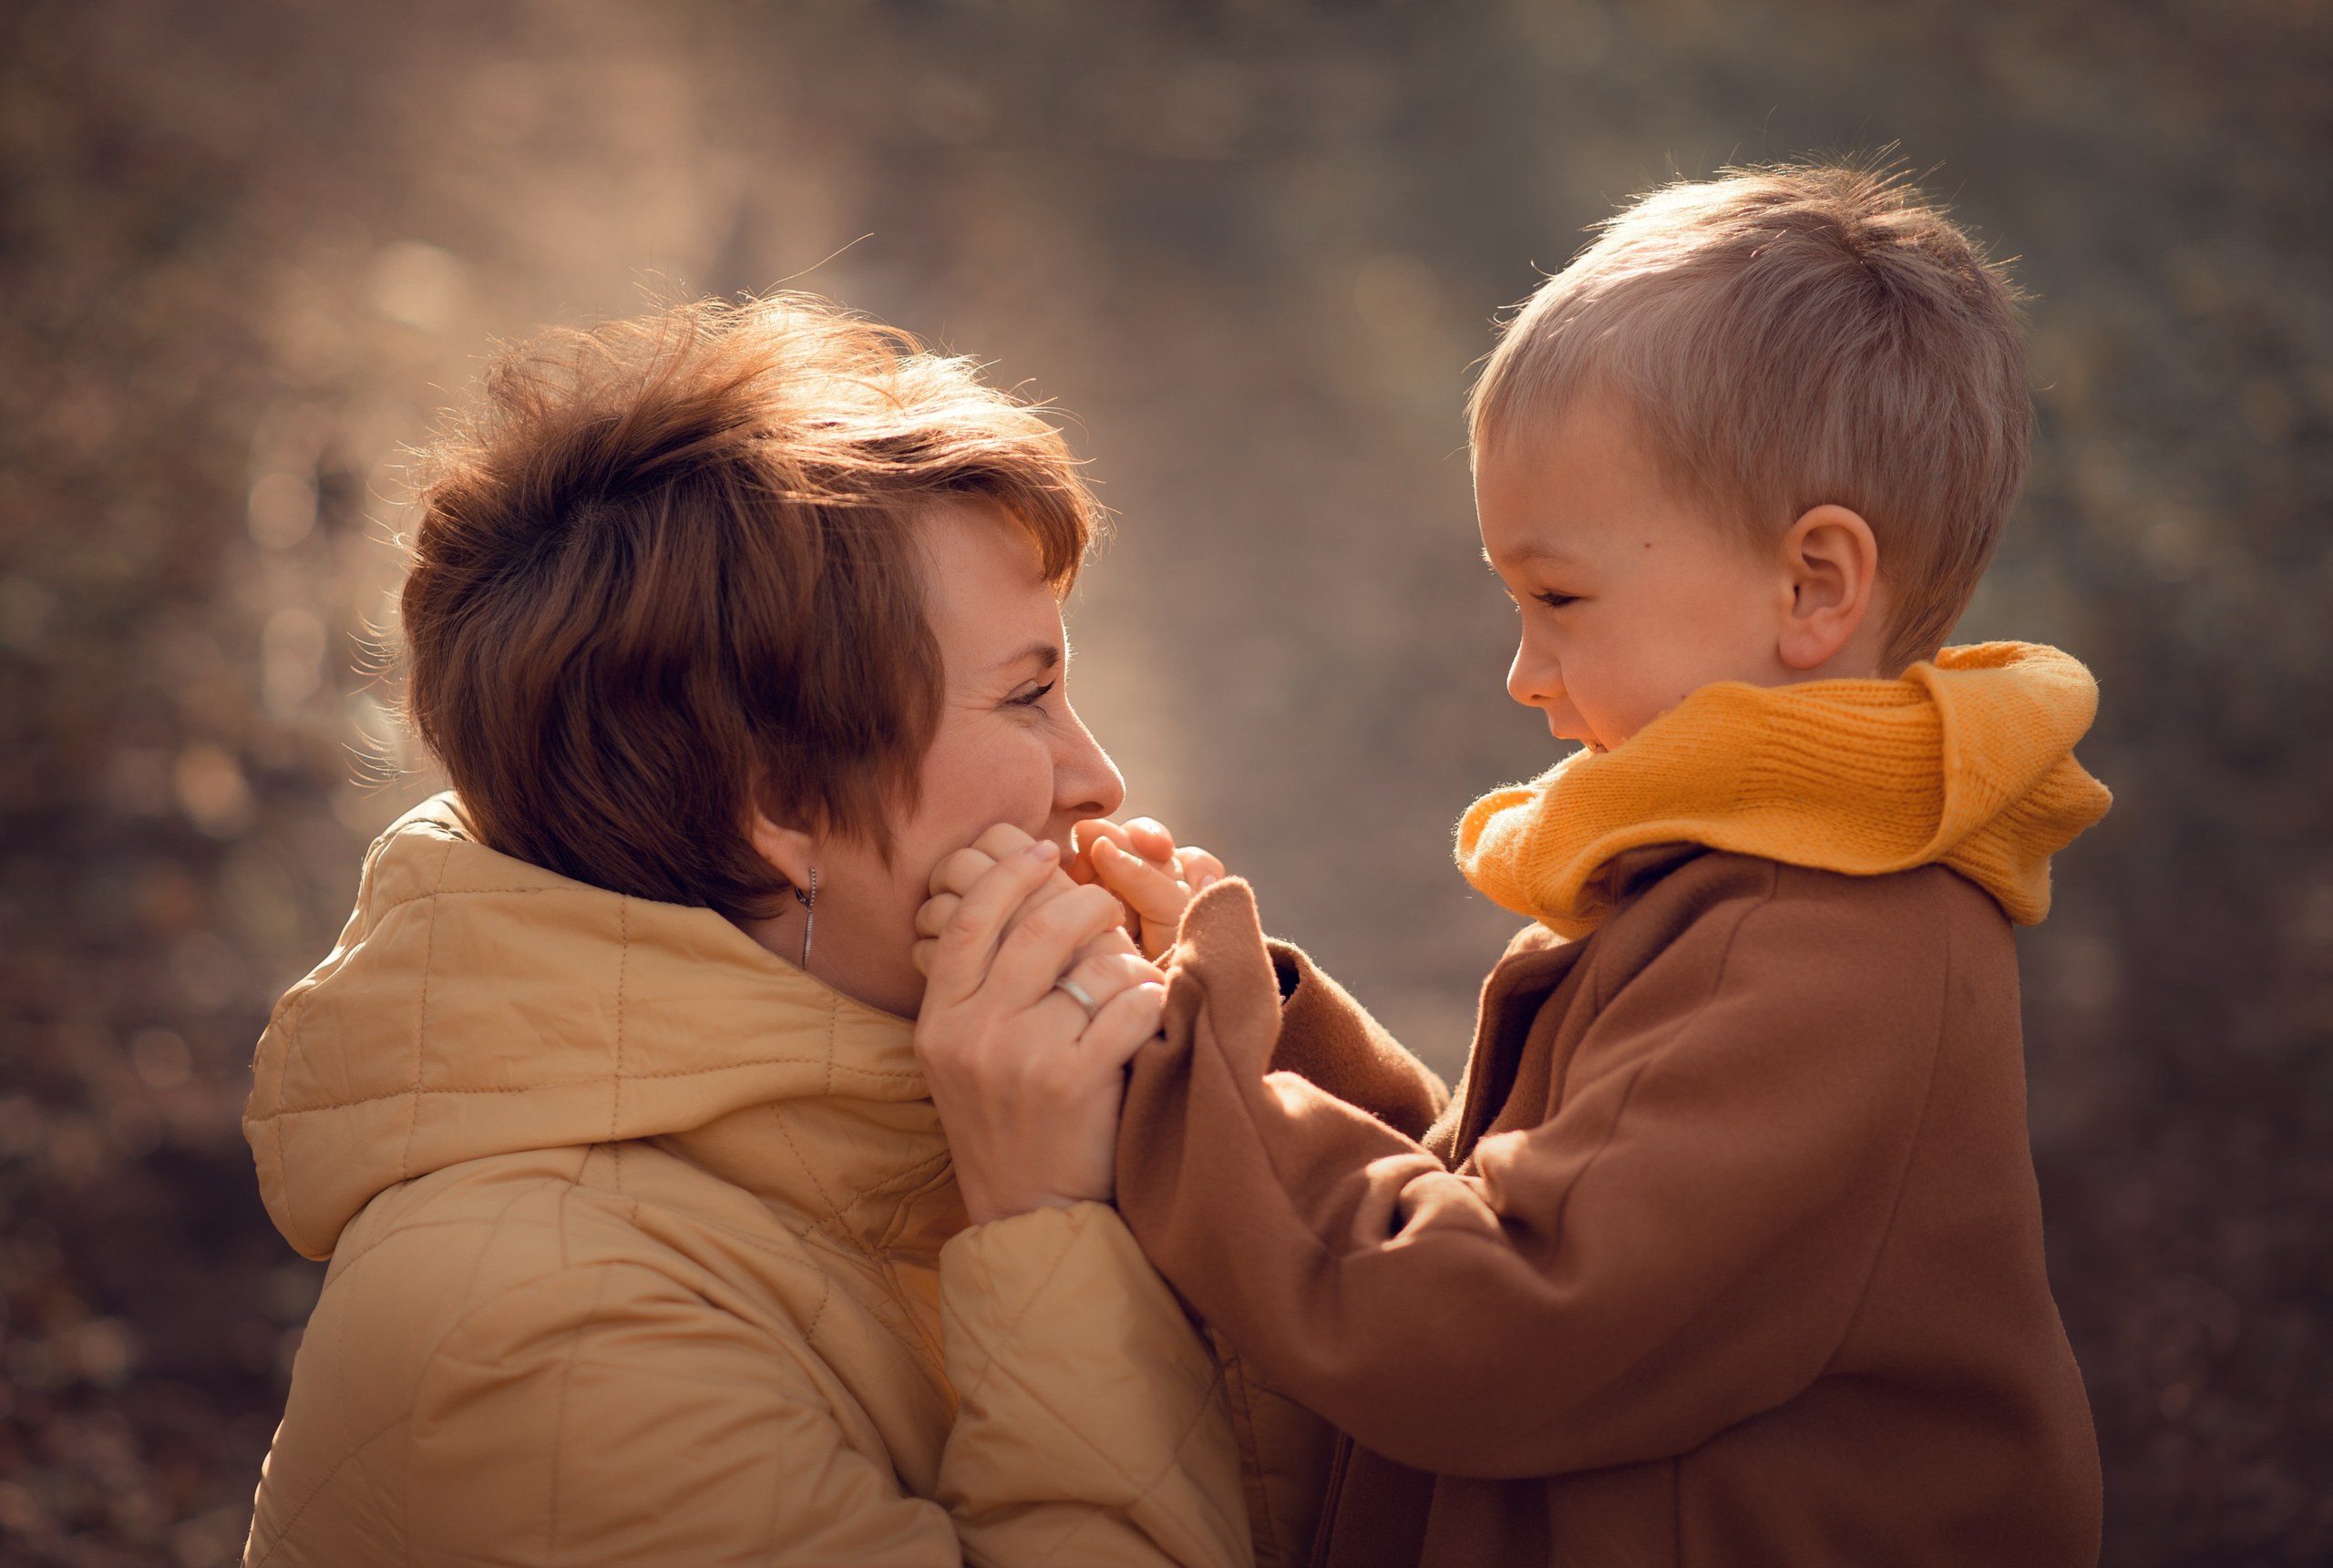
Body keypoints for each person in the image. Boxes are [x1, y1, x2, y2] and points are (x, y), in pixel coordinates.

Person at [919, 164, 2113, 1565]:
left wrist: (1194, 1065)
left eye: (1559, 598)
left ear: (1814, 587)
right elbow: (1506, 1189)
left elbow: (1489, 1315)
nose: (1524, 671)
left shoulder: (1820, 936)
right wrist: (1257, 1012)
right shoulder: (1757, 878)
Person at [240, 296, 1253, 1565]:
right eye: (1029, 697)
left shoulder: (958, 1094)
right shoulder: (539, 1334)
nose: (1096, 777)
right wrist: (1047, 1221)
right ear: (778, 801)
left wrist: (1230, 1085)